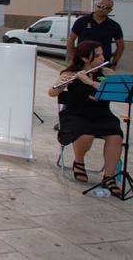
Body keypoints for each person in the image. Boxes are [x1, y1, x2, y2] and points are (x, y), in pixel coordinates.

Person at [48, 40, 123, 196]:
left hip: (102, 114)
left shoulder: (105, 73)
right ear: (84, 58)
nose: (102, 58)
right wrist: (62, 84)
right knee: (86, 135)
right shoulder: (70, 73)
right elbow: (52, 93)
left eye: (102, 54)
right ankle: (79, 161)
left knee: (115, 136)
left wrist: (92, 81)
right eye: (98, 55)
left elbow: (117, 93)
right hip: (76, 114)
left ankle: (109, 177)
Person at [67, 0, 124, 68]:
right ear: (95, 6)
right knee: (80, 78)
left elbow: (121, 46)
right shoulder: (82, 21)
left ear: (110, 10)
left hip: (102, 64)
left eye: (105, 8)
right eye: (99, 6)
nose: (101, 9)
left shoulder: (114, 26)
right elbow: (70, 39)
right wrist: (72, 58)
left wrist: (114, 64)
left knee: (100, 79)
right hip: (82, 63)